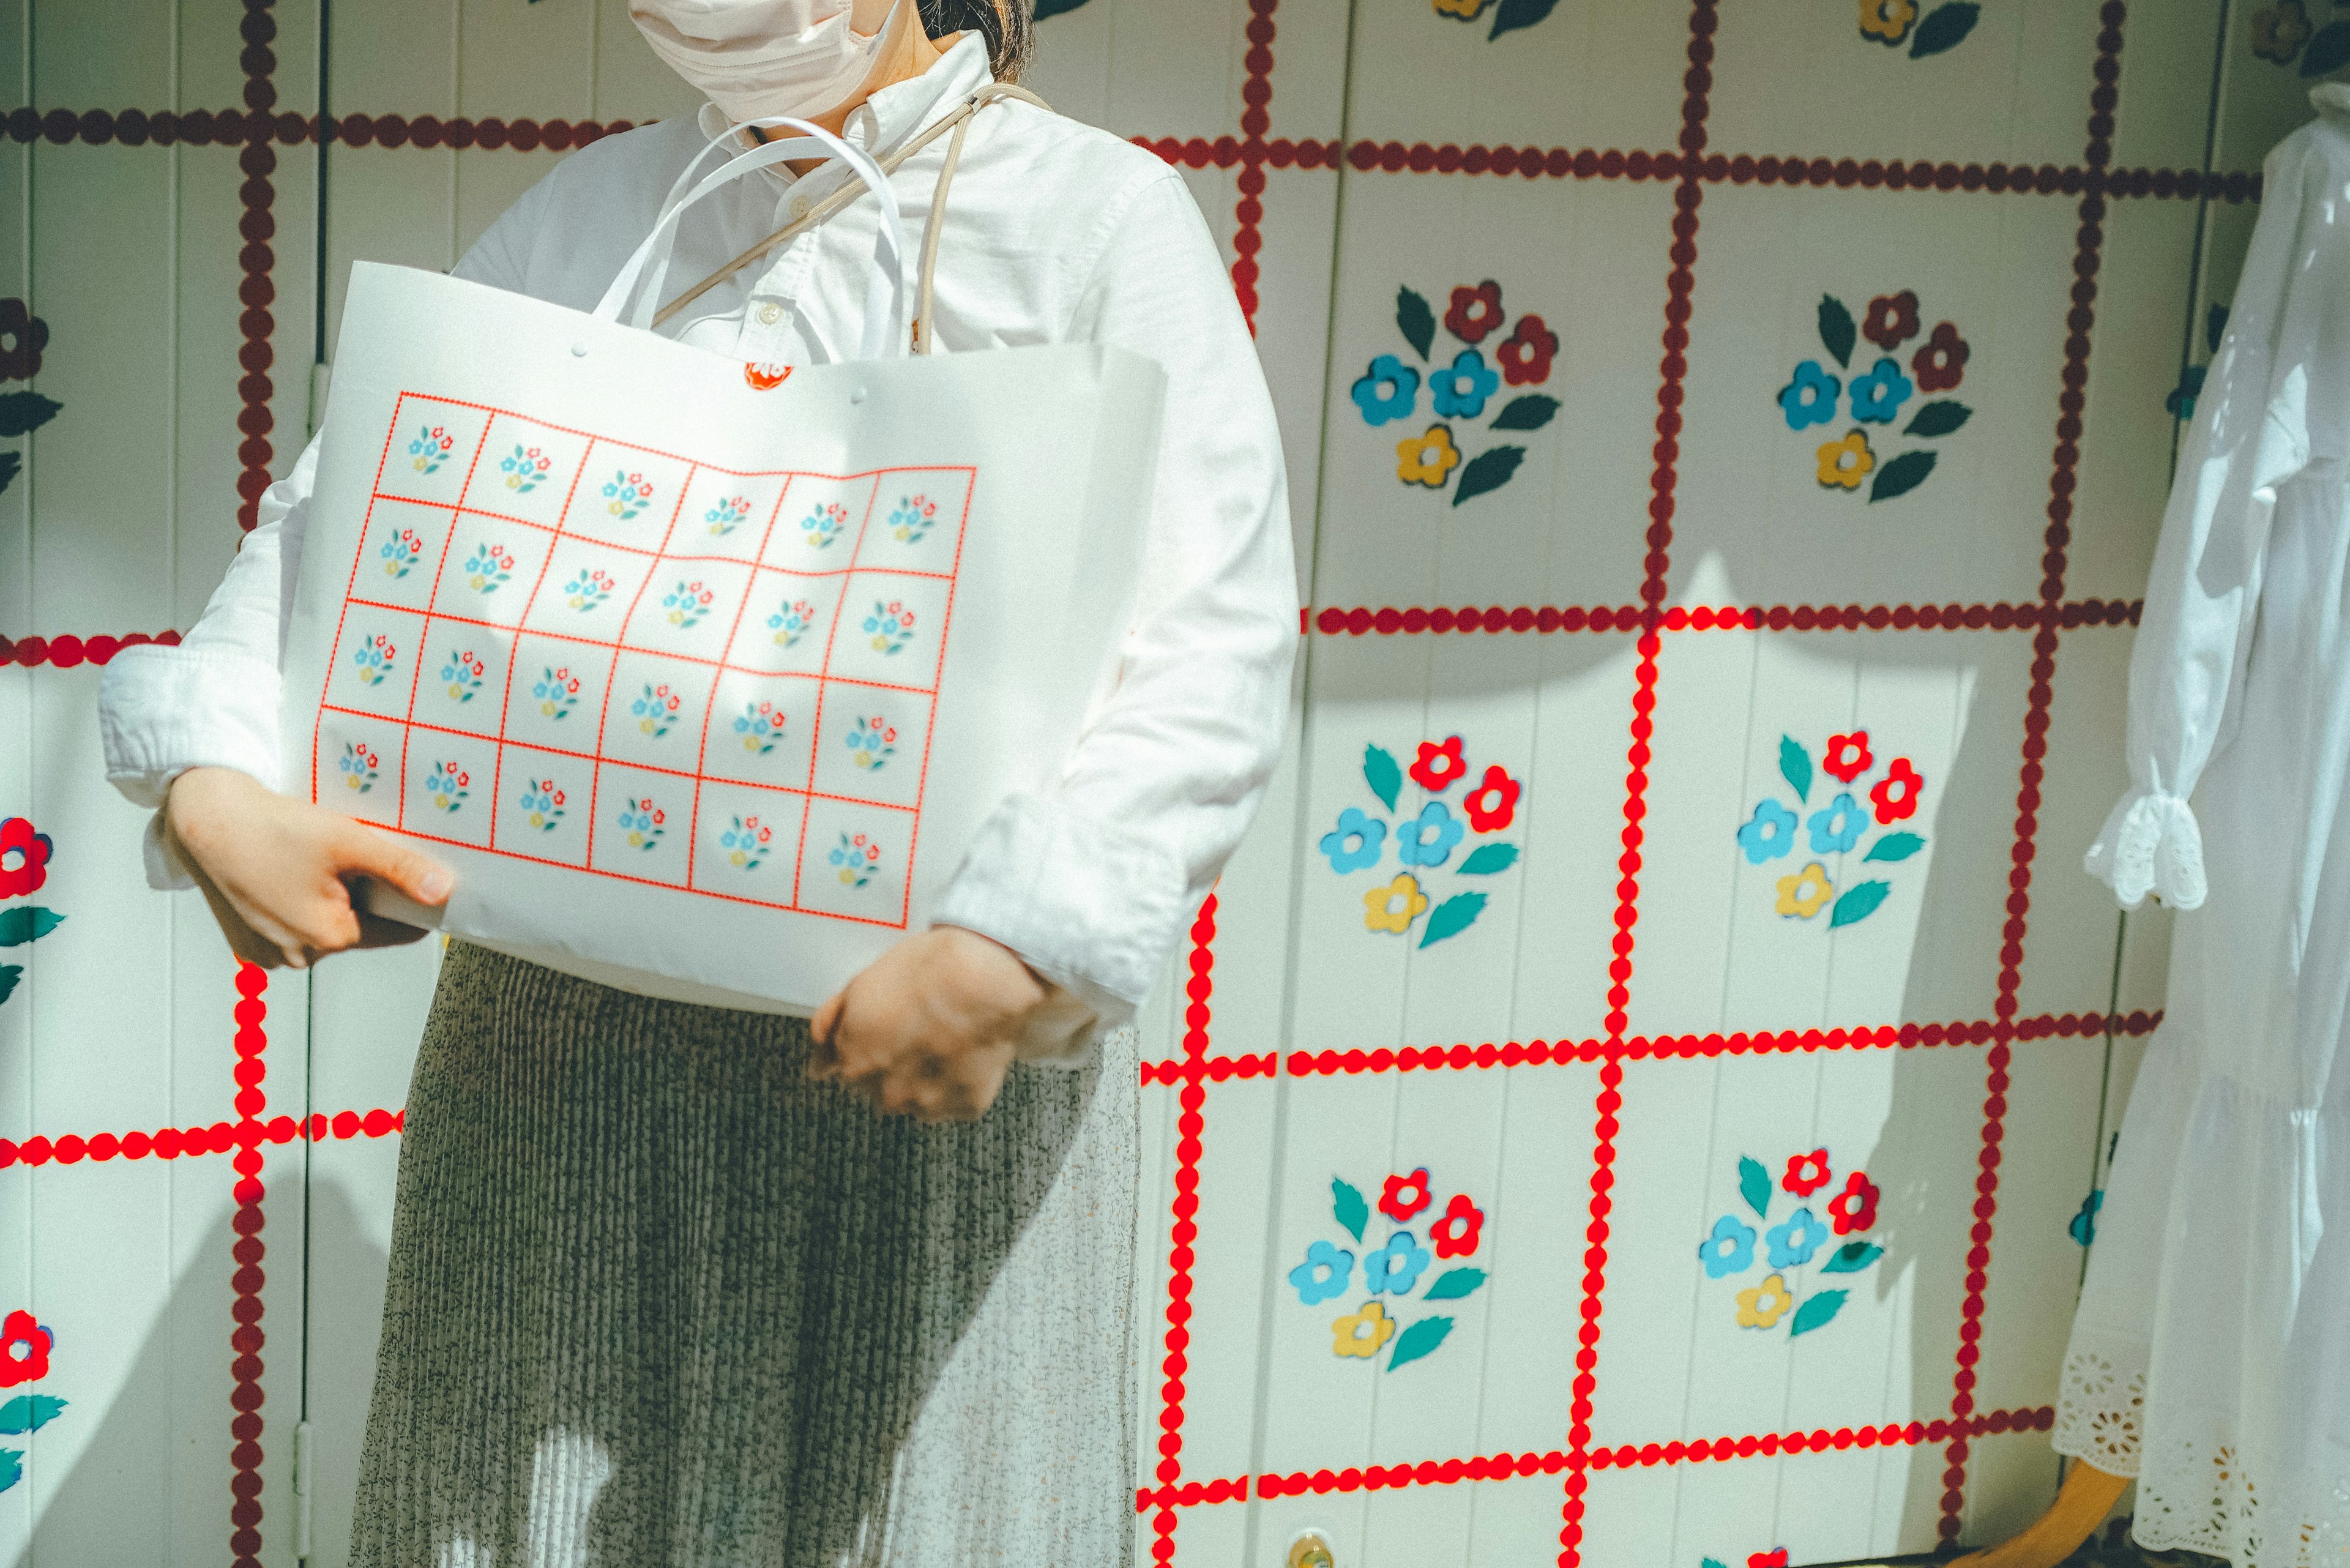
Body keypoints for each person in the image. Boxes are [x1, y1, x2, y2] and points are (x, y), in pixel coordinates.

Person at [96, 1, 1297, 1561]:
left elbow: (1215, 632)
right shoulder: (595, 211)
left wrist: (1017, 951)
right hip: (557, 1054)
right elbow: (349, 514)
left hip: (924, 1053)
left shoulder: (1097, 218)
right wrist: (213, 779)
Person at [1956, 83, 2350, 1568]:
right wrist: (2171, 761)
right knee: (2281, 1062)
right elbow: (2239, 477)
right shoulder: (2335, 182)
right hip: (2322, 735)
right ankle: (2178, 1494)